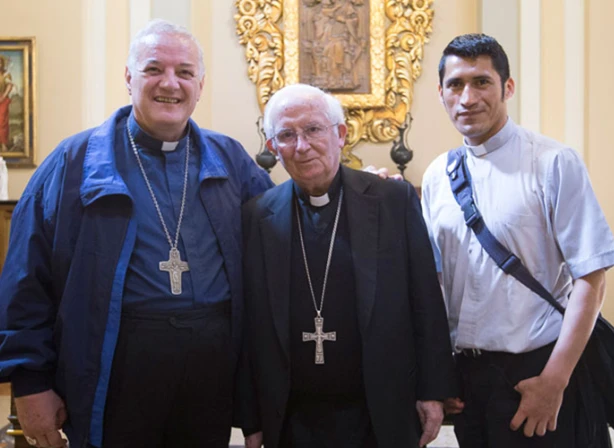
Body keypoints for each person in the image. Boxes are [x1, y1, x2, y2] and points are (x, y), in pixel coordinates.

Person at [0, 19, 273, 448]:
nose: (171, 84)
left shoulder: (230, 158)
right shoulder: (73, 162)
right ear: (129, 78)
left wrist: (357, 191)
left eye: (185, 72)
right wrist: (30, 381)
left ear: (200, 85)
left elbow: (282, 228)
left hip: (210, 376)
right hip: (114, 370)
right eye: (154, 69)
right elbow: (25, 279)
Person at [421, 34, 614, 447]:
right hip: (469, 379)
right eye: (455, 85)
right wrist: (443, 374)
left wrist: (554, 380)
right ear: (440, 93)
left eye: (482, 82)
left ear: (507, 87)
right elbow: (436, 284)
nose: (467, 98)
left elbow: (591, 277)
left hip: (539, 370)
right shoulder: (437, 176)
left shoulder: (552, 162)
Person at [237, 83, 457, 448]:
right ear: (273, 148)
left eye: (313, 129)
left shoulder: (393, 200)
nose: (302, 146)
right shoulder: (257, 216)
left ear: (340, 134)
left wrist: (433, 391)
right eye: (287, 135)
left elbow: (426, 300)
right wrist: (252, 418)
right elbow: (249, 326)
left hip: (380, 411)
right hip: (292, 418)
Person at [0, 54, 13, 152]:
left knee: (2, 122)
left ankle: (3, 143)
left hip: (2, 100)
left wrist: (3, 96)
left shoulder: (6, 75)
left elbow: (9, 85)